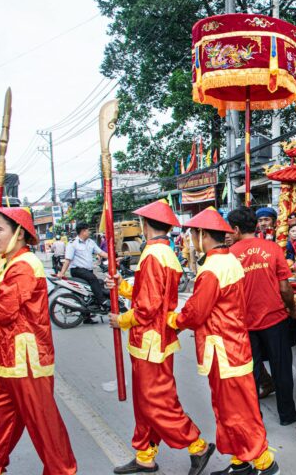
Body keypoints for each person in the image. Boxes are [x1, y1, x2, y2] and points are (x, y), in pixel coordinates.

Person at [105, 201, 215, 474]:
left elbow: (147, 306)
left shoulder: (153, 255)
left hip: (150, 339)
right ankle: (145, 455)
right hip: (153, 338)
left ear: (145, 225)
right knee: (146, 402)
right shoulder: (164, 253)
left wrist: (122, 320)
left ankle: (197, 445)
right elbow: (148, 294)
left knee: (156, 402)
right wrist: (122, 286)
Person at [168, 208, 279, 475]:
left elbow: (196, 312)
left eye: (193, 233)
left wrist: (173, 321)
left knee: (236, 410)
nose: (192, 238)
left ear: (202, 234)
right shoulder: (227, 260)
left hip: (224, 348)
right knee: (228, 409)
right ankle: (241, 461)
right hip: (232, 344)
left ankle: (265, 462)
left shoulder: (213, 268)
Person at [0, 207, 77, 473]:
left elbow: (2, 310)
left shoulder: (25, 265)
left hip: (27, 364)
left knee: (45, 430)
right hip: (4, 362)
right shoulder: (5, 262)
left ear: (19, 234)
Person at [227, 207, 296, 426]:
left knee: (249, 373)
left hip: (244, 323)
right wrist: (291, 308)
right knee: (281, 369)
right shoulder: (272, 249)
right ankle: (287, 414)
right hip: (275, 319)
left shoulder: (230, 255)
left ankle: (254, 419)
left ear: (235, 229)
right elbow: (285, 287)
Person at [57, 222, 109, 324]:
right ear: (83, 231)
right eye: (88, 230)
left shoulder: (91, 242)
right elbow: (68, 260)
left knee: (99, 283)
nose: (89, 232)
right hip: (77, 270)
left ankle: (87, 317)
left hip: (88, 270)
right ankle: (102, 301)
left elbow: (101, 253)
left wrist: (113, 258)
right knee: (93, 279)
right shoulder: (73, 244)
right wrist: (62, 273)